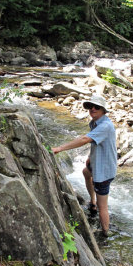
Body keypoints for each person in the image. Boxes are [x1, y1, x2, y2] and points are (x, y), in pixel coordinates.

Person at [52, 95, 117, 237]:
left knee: (103, 206)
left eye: (97, 107)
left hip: (104, 170)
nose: (92, 109)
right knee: (86, 173)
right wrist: (89, 157)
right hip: (96, 163)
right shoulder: (96, 122)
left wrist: (60, 148)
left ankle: (105, 232)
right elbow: (96, 142)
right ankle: (92, 202)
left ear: (103, 110)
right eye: (90, 106)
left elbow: (85, 139)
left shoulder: (105, 125)